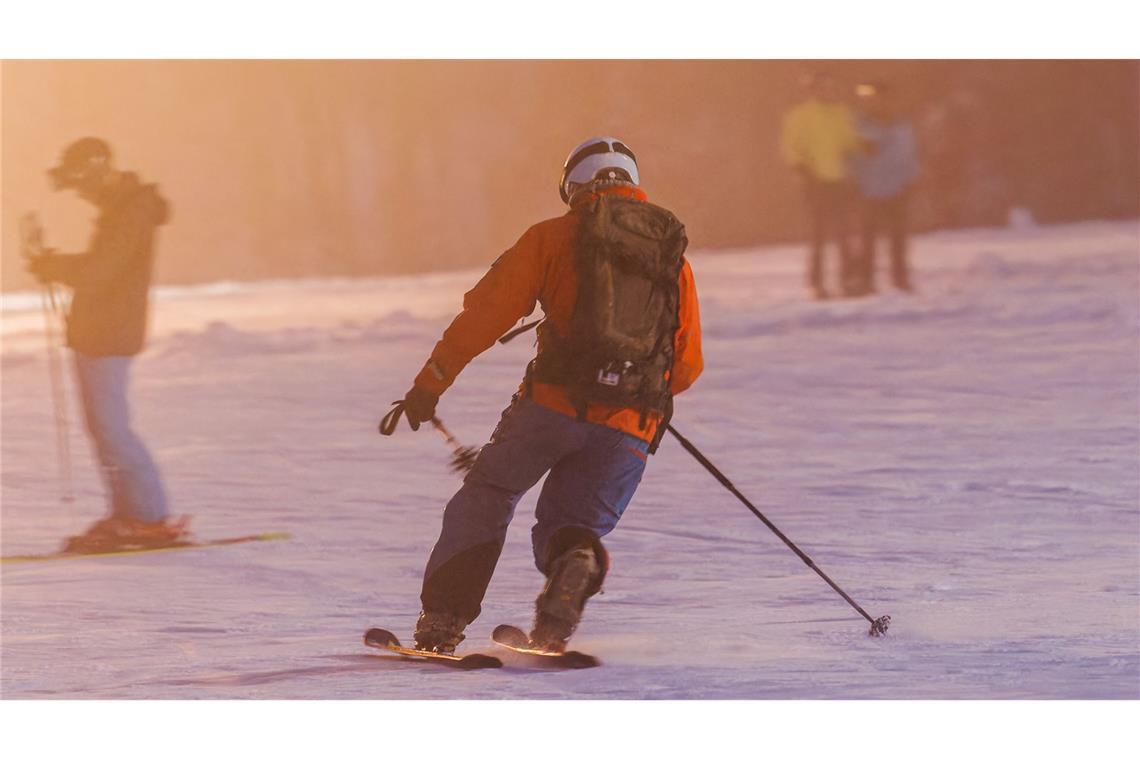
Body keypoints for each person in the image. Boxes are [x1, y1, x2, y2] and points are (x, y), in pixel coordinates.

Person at [386, 136, 703, 654]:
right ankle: (568, 581)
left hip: (550, 408)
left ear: (572, 185)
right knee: (570, 527)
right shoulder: (671, 258)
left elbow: (484, 316)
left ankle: (443, 622)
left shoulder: (551, 237)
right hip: (631, 424)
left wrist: (429, 385)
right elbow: (686, 366)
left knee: (488, 495)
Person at [26, 137, 186, 552]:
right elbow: (102, 269)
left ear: (97, 173)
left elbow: (102, 271)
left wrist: (53, 265)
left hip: (108, 333)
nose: (81, 195)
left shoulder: (130, 211)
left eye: (81, 186)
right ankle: (128, 515)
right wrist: (55, 264)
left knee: (112, 429)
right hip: (100, 330)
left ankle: (148, 517)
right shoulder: (122, 209)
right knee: (104, 429)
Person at [780, 71, 863, 299]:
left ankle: (849, 280)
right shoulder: (800, 116)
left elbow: (850, 142)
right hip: (815, 183)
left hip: (839, 182)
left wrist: (860, 152)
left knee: (845, 234)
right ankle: (815, 284)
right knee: (818, 235)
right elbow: (792, 148)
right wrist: (802, 171)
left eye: (831, 86)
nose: (828, 91)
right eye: (823, 87)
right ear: (813, 89)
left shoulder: (842, 114)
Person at [852, 82, 920, 293]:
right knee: (867, 239)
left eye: (882, 97)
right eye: (872, 98)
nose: (878, 102)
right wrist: (853, 180)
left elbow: (909, 155)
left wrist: (912, 179)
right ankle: (866, 280)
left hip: (897, 188)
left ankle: (900, 278)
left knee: (898, 239)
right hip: (869, 188)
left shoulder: (902, 126)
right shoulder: (861, 125)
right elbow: (852, 155)